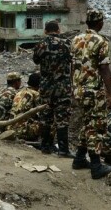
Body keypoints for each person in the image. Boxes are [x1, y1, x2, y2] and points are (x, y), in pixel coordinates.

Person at [71, 8, 111, 179]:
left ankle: (80, 158)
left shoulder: (75, 39)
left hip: (79, 89)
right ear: (100, 23)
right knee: (97, 125)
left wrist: (73, 87)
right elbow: (104, 68)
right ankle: (96, 166)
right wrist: (110, 94)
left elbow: (73, 66)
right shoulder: (101, 41)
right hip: (93, 90)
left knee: (87, 122)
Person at [33, 20, 73, 156]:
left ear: (45, 31)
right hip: (63, 87)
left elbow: (36, 60)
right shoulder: (67, 44)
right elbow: (71, 60)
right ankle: (63, 150)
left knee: (45, 117)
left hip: (46, 87)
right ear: (58, 30)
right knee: (62, 118)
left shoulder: (40, 45)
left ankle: (45, 146)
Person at [9, 72, 43, 141]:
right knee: (50, 121)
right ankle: (47, 145)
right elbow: (42, 114)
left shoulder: (19, 92)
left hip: (9, 128)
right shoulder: (36, 95)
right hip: (22, 131)